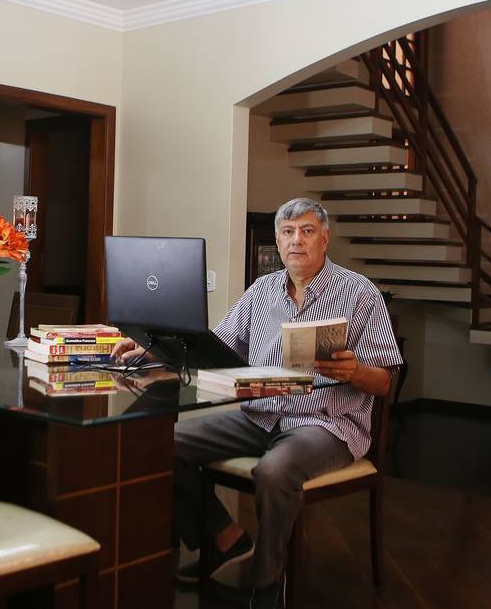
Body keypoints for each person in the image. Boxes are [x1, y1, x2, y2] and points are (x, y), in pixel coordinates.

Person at [111, 198, 402, 609]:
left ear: (324, 238)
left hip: (327, 424)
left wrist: (354, 371)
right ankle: (227, 539)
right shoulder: (262, 290)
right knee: (159, 442)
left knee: (274, 471)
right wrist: (153, 346)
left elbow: (386, 380)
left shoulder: (359, 294)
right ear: (278, 241)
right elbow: (213, 348)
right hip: (260, 414)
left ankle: (266, 583)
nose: (296, 241)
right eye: (287, 232)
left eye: (306, 231)